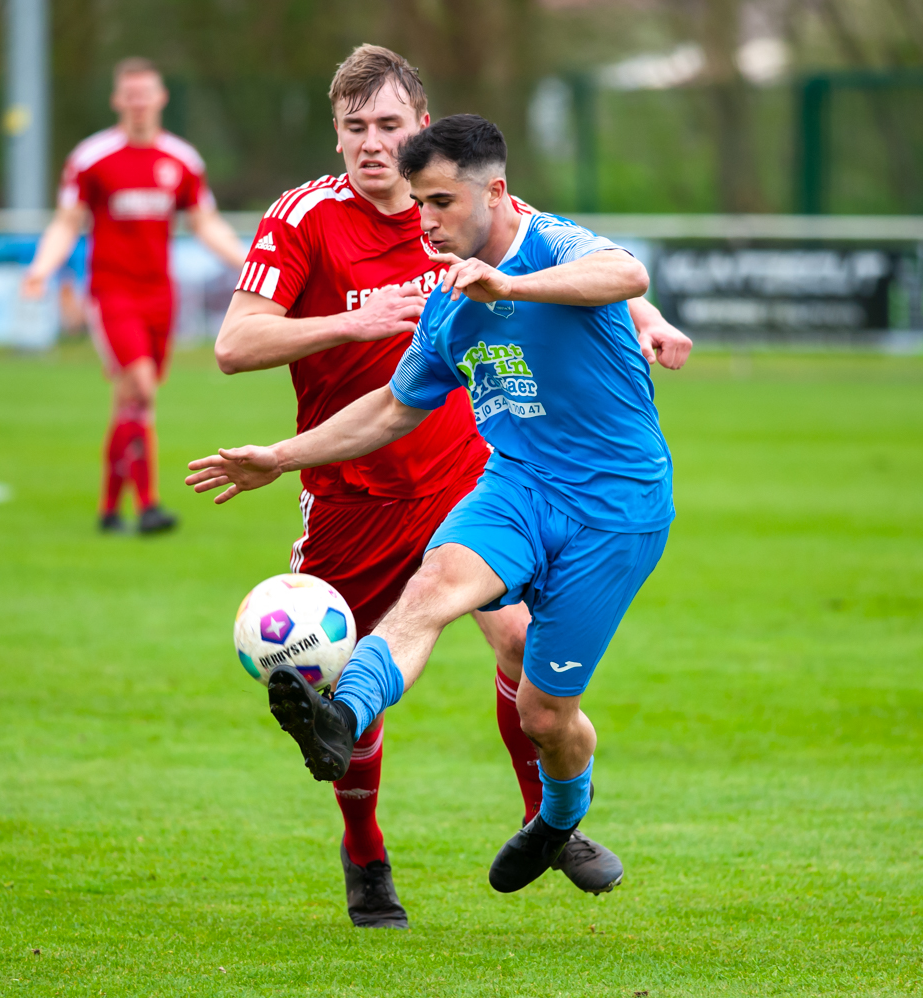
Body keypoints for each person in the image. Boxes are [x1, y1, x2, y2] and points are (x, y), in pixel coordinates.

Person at [187, 113, 692, 896]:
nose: (425, 222)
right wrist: (277, 458)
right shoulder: (447, 306)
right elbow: (391, 410)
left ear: (495, 192)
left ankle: (560, 816)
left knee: (546, 717)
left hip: (614, 511)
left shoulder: (551, 247)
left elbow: (627, 275)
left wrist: (512, 286)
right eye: (419, 205)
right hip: (514, 487)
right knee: (430, 592)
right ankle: (341, 719)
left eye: (441, 204)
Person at [24, 57, 246, 535]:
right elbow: (68, 222)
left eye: (146, 94)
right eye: (130, 95)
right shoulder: (92, 158)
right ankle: (148, 506)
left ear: (160, 98)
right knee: (140, 387)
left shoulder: (181, 160)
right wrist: (41, 268)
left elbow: (204, 221)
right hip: (112, 294)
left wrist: (245, 261)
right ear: (117, 100)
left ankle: (109, 511)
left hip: (159, 296)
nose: (139, 103)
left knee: (132, 401)